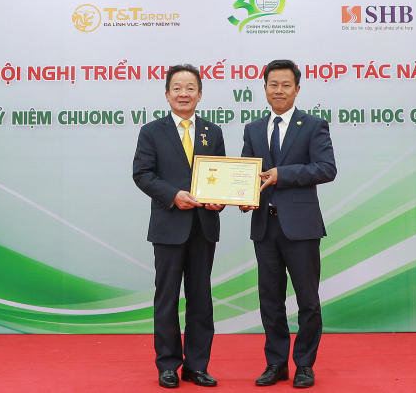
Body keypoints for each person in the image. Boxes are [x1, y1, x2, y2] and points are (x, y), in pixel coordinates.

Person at [239, 59, 337, 388]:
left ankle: (305, 364)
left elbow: (326, 168)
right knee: (270, 299)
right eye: (272, 84)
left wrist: (284, 175)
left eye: (285, 85)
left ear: (297, 89)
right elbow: (247, 173)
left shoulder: (313, 125)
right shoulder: (253, 129)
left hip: (301, 227)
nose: (278, 90)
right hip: (264, 226)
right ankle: (277, 363)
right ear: (264, 88)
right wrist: (242, 195)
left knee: (307, 299)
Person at [133, 64, 225, 389]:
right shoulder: (151, 131)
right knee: (168, 298)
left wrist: (220, 200)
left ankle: (197, 366)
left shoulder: (212, 132)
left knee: (201, 298)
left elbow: (222, 177)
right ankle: (168, 365)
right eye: (177, 88)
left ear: (200, 94)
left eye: (190, 88)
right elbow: (142, 174)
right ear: (167, 94)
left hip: (203, 227)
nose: (183, 94)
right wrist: (173, 195)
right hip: (169, 225)